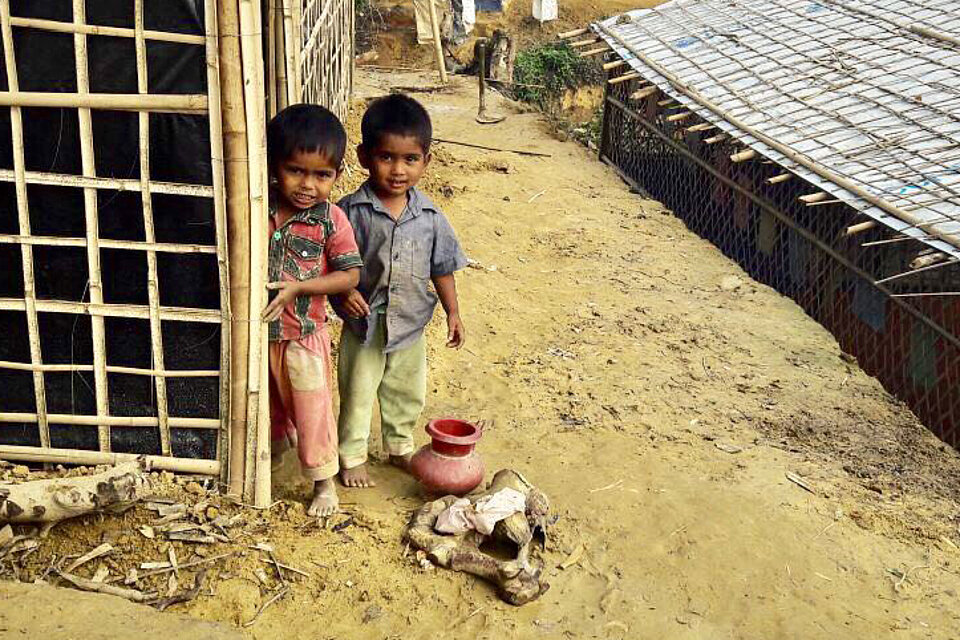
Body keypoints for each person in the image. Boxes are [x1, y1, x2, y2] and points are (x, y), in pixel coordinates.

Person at [334, 94, 468, 488]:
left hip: (411, 323)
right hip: (365, 325)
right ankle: (352, 455)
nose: (398, 170)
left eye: (410, 159)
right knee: (358, 393)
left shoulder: (430, 217)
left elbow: (442, 267)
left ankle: (399, 445)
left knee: (406, 392)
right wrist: (342, 296)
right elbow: (332, 263)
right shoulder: (349, 213)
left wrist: (453, 312)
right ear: (363, 156)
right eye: (386, 157)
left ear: (426, 160)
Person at [262, 104, 362, 516]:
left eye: (322, 175)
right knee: (265, 401)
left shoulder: (331, 220)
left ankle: (323, 482)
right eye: (296, 170)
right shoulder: (257, 207)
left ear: (337, 175)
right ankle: (274, 450)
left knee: (313, 407)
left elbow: (350, 275)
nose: (308, 185)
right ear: (274, 166)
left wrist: (300, 287)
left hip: (304, 334)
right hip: (259, 332)